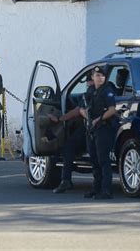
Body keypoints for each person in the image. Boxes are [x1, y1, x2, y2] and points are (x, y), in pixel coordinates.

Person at [50, 75, 95, 194]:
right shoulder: (108, 91)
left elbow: (76, 111)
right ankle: (100, 187)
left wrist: (60, 119)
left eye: (88, 81)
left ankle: (66, 180)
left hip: (92, 129)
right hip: (104, 129)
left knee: (69, 147)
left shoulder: (90, 94)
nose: (88, 84)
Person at [83, 66, 117, 200]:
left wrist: (98, 119)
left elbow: (112, 110)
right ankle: (95, 188)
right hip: (92, 129)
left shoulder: (107, 91)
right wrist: (86, 115)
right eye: (97, 75)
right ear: (92, 77)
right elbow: (81, 107)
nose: (100, 78)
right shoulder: (90, 91)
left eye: (102, 76)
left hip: (104, 128)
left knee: (103, 160)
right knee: (94, 160)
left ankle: (106, 190)